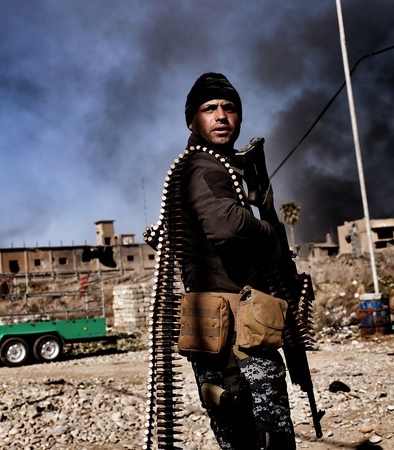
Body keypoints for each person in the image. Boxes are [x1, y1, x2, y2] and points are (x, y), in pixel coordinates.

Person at [173, 72, 296, 449]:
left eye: (230, 108)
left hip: (222, 331)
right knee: (268, 440)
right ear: (192, 120)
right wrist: (270, 232)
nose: (222, 116)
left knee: (240, 440)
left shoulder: (215, 166)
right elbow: (225, 226)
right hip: (235, 337)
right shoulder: (204, 168)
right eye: (210, 109)